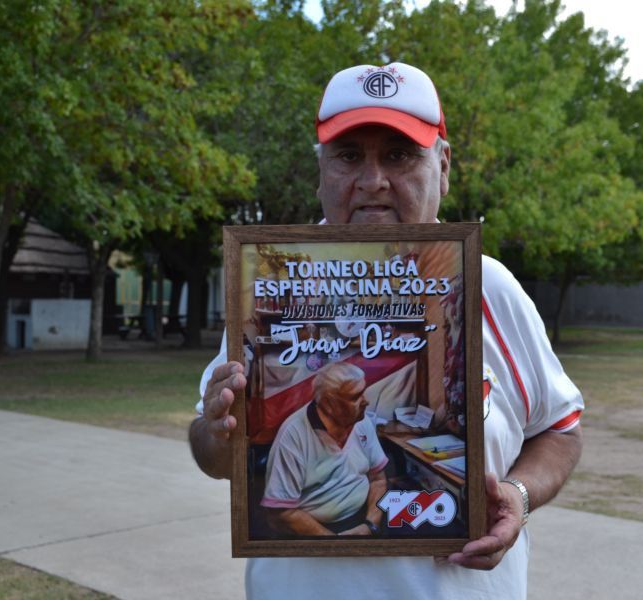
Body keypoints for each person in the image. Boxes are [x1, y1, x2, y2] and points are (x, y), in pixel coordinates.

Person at [190, 61, 584, 600]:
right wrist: (215, 433)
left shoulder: (486, 284)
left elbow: (559, 429)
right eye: (349, 156)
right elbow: (215, 457)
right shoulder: (270, 279)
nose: (373, 181)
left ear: (442, 166)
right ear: (321, 170)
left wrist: (518, 493)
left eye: (400, 155)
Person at [261, 362, 388, 536]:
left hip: (366, 517)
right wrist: (334, 544)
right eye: (355, 397)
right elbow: (282, 512)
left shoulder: (361, 420)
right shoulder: (293, 434)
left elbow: (378, 480)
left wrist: (371, 525)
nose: (366, 401)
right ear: (329, 403)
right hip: (316, 531)